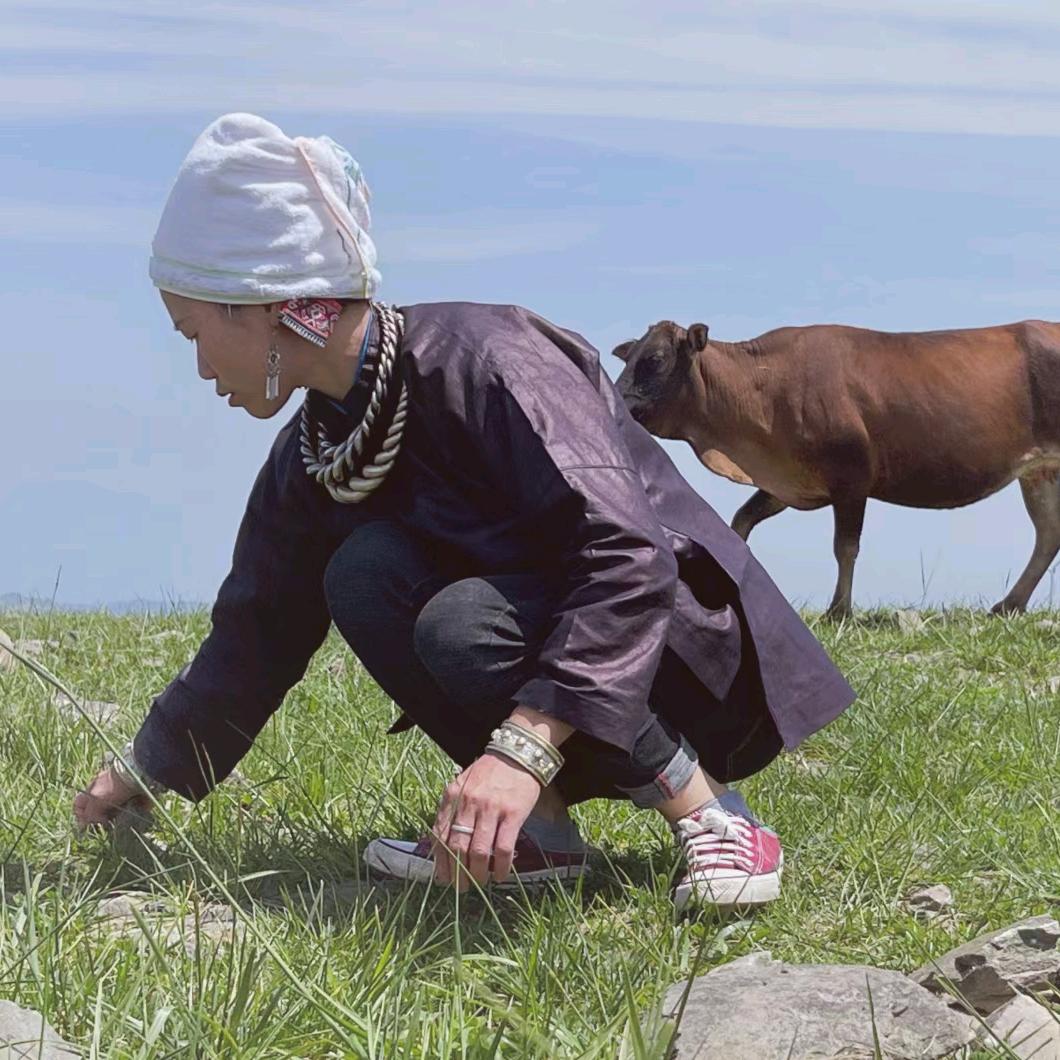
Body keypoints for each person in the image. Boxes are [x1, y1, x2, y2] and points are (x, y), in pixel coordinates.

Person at [73, 113, 855, 910]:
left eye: (194, 332)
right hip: (554, 671)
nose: (199, 366)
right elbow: (258, 627)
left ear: (262, 306)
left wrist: (519, 751)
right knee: (366, 572)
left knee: (461, 621)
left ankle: (715, 815)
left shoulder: (490, 360)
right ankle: (540, 834)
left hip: (684, 656)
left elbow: (628, 557)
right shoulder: (319, 448)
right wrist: (147, 766)